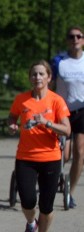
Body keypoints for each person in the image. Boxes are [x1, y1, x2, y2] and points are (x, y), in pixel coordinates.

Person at [6, 60, 71, 232]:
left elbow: (67, 129)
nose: (37, 78)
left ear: (49, 77)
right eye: (34, 74)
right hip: (25, 156)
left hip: (50, 157)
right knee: (27, 200)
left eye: (42, 74)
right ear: (30, 78)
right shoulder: (22, 100)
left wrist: (47, 123)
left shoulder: (56, 101)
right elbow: (12, 117)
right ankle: (30, 223)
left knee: (46, 204)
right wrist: (12, 126)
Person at [50, 25, 84, 209]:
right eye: (72, 36)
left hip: (82, 110)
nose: (75, 39)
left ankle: (69, 193)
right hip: (63, 111)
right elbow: (49, 83)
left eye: (79, 36)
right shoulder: (58, 61)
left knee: (80, 152)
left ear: (83, 40)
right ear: (67, 40)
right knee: (65, 153)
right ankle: (56, 180)